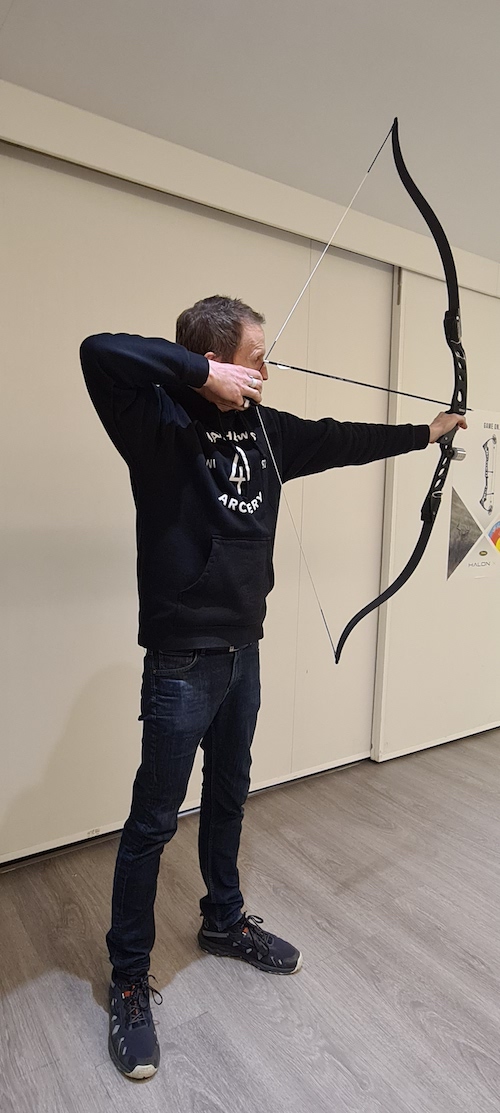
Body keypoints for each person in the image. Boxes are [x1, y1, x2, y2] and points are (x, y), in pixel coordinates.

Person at [80, 295, 466, 1079]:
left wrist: (427, 432)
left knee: (228, 794)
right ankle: (128, 979)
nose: (267, 367)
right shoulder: (155, 423)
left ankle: (223, 921)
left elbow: (342, 440)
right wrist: (196, 375)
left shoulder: (267, 428)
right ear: (221, 362)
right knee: (154, 818)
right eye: (257, 355)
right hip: (184, 659)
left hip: (242, 651)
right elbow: (98, 349)